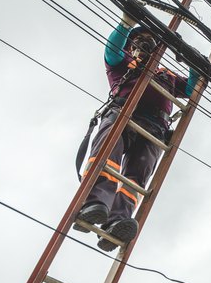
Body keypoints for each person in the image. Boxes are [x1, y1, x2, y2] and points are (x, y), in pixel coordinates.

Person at [75, 12, 199, 251]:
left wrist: (193, 60)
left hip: (154, 127)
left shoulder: (167, 75)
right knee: (107, 155)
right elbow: (112, 49)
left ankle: (118, 220)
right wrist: (126, 23)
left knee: (137, 176)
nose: (144, 43)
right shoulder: (123, 64)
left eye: (150, 40)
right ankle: (95, 203)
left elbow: (193, 87)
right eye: (138, 40)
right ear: (131, 46)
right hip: (123, 114)